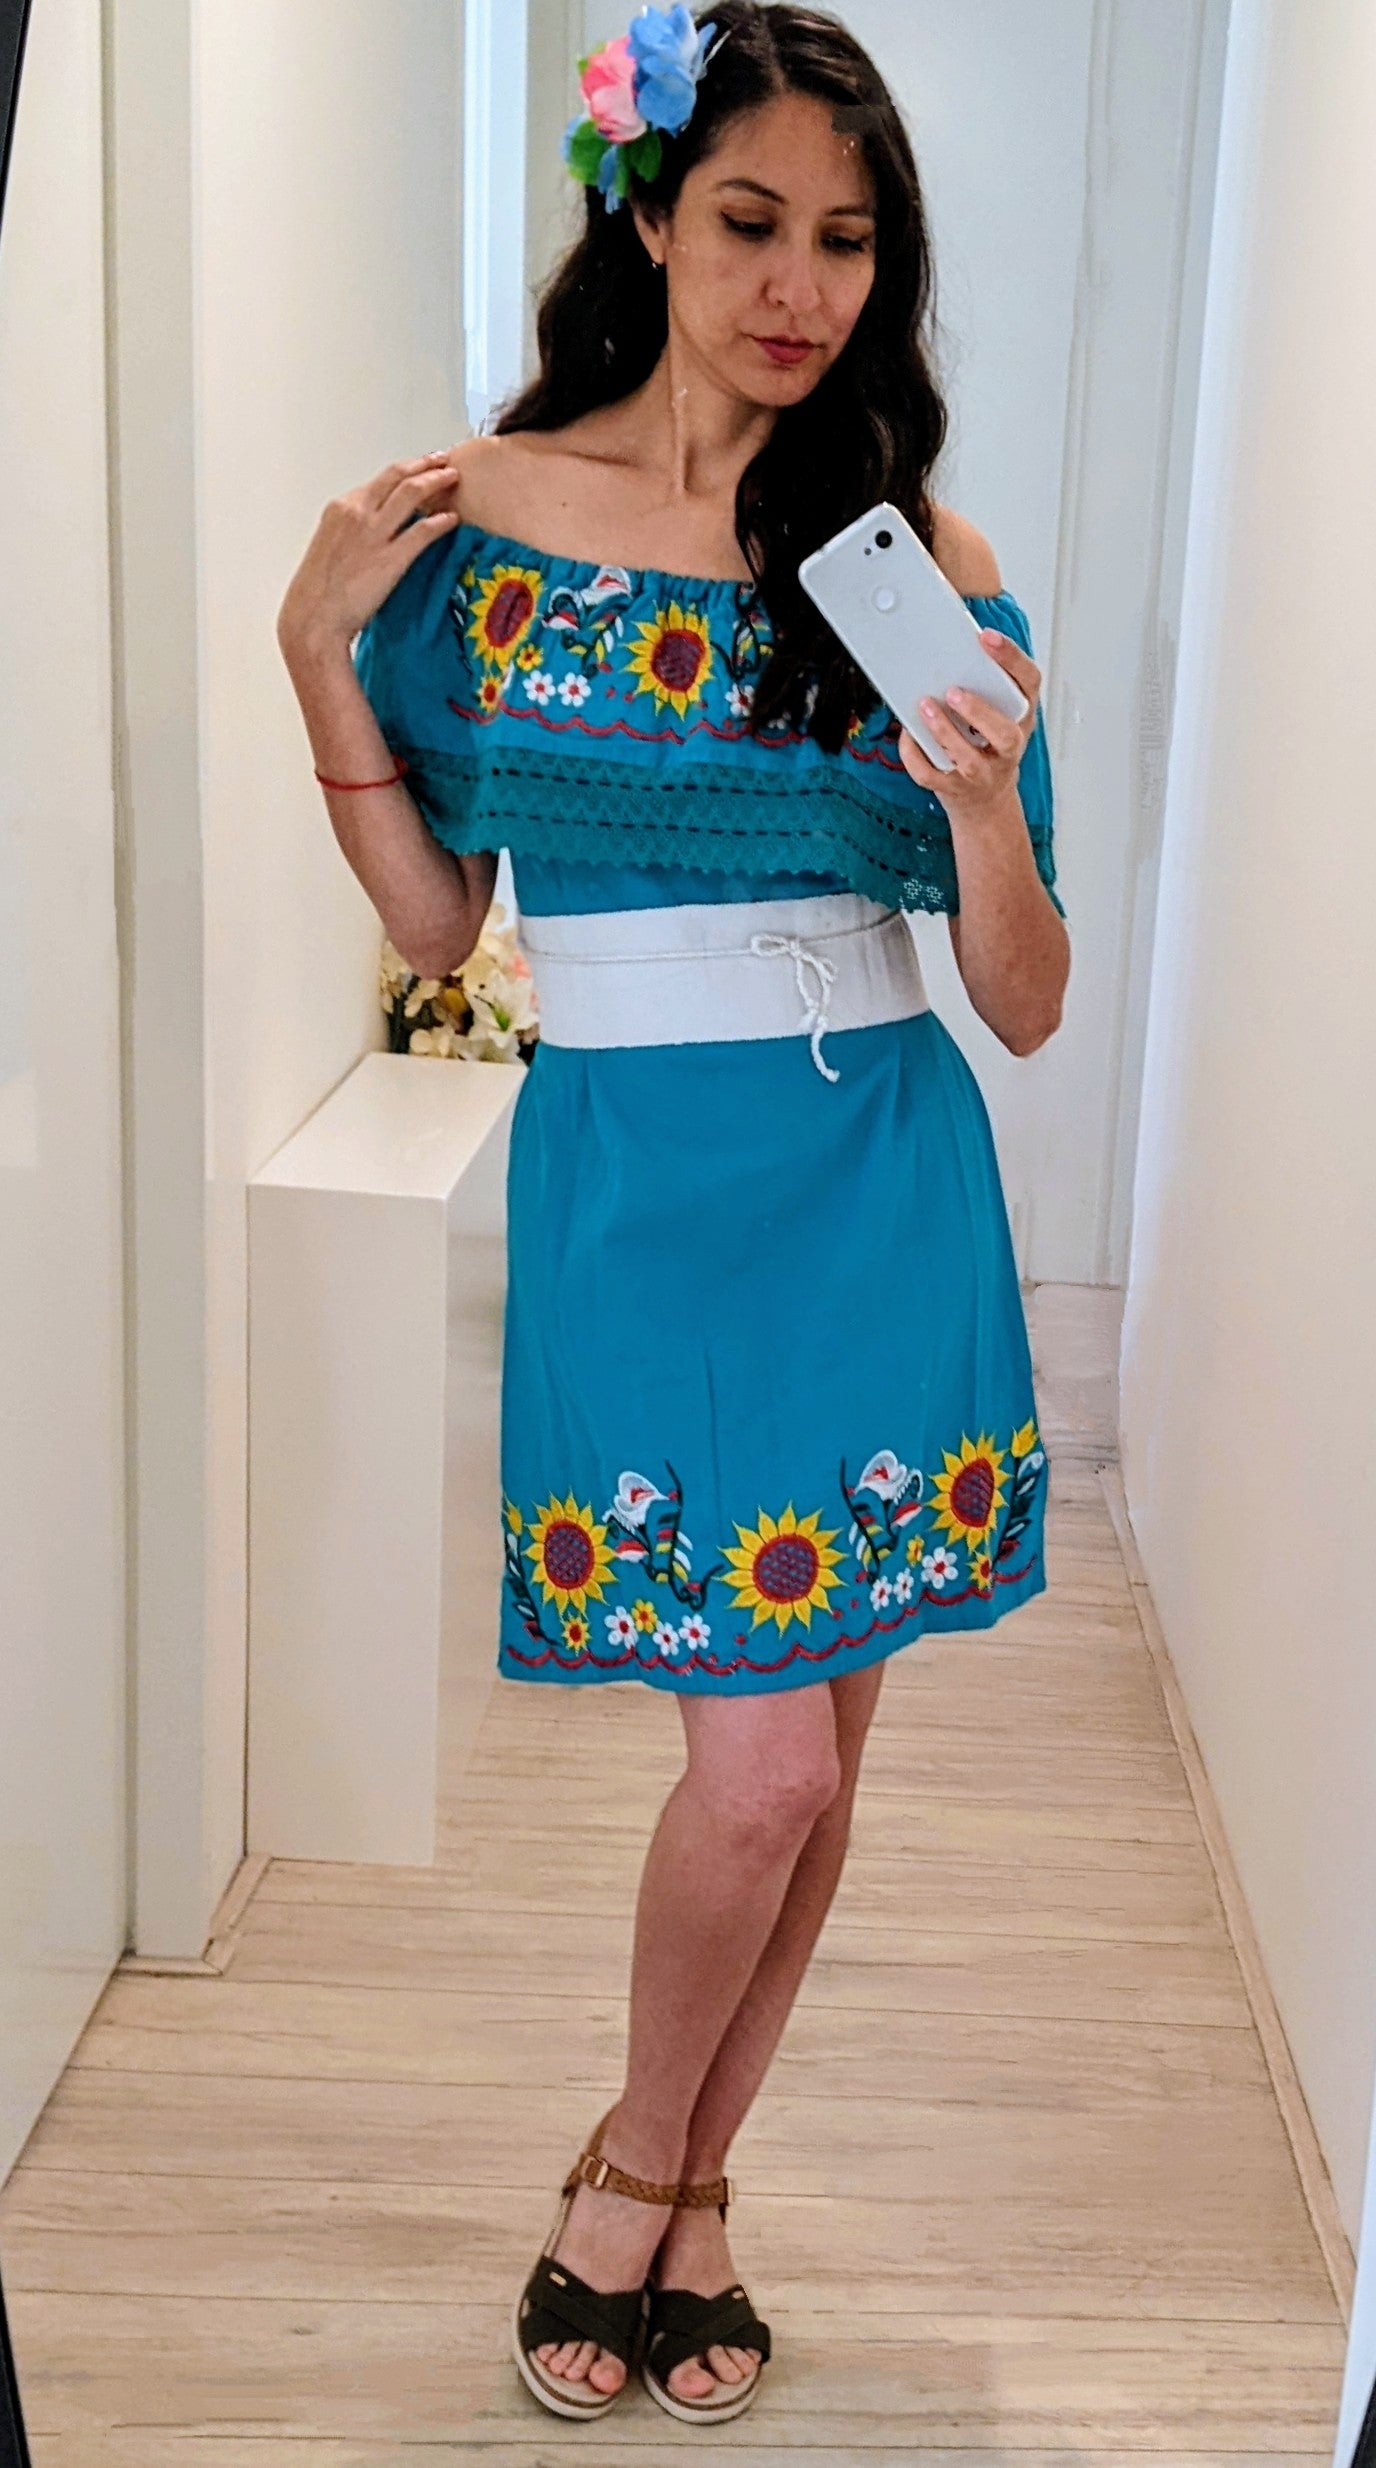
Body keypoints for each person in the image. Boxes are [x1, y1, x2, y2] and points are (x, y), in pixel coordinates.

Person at [277, 0, 1070, 2427]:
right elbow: (439, 923)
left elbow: (1023, 998)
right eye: (748, 221)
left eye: (846, 238)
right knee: (762, 1773)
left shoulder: (914, 563)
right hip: (636, 1191)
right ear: (645, 216)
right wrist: (314, 653)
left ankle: (681, 2191)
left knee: (814, 1766)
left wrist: (983, 807)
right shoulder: (485, 525)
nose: (798, 283)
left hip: (879, 1184)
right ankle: (640, 2165)